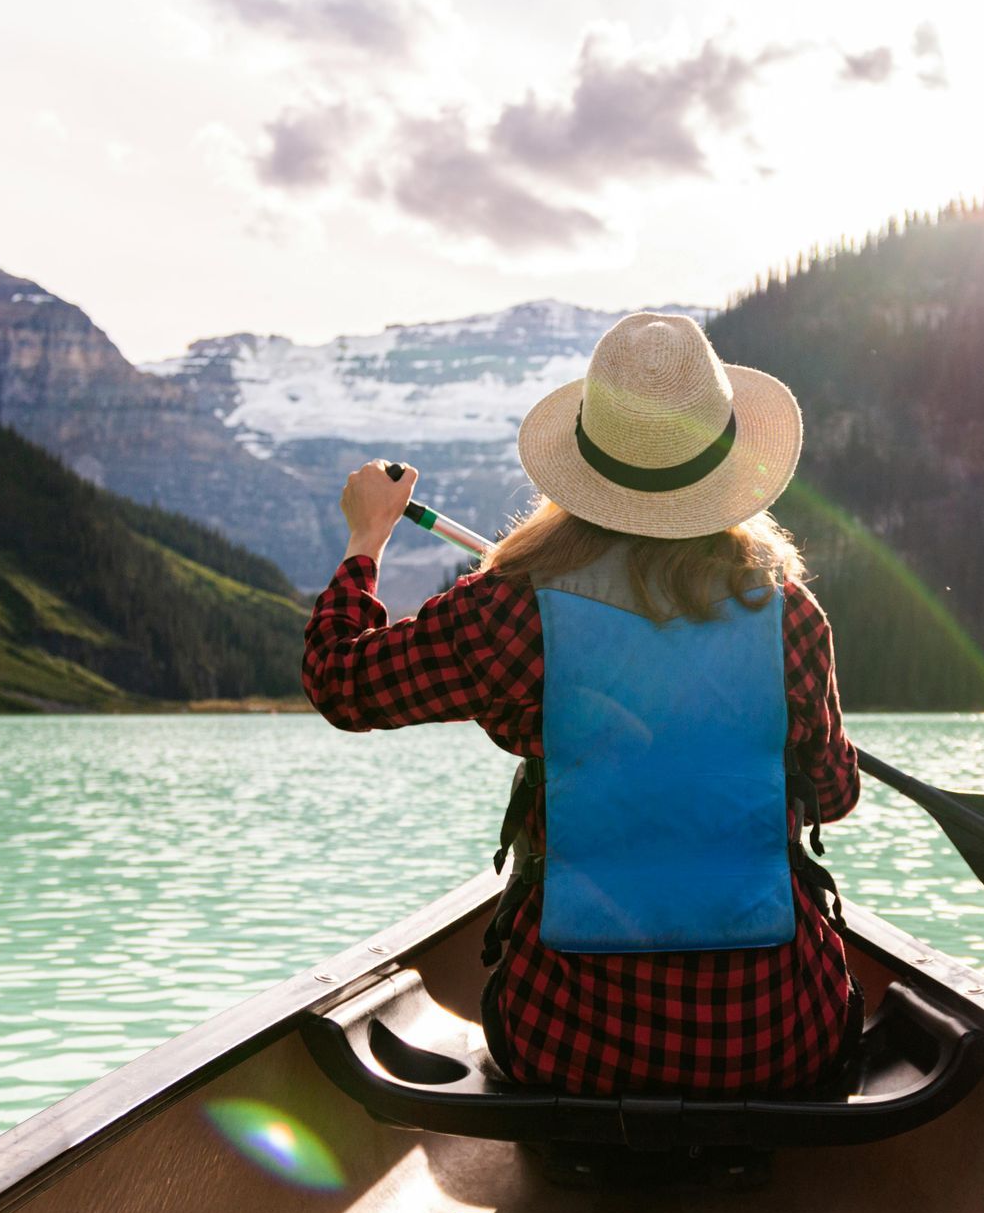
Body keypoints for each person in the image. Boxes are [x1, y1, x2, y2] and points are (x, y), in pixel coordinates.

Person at [303, 311, 860, 1099]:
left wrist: (366, 540)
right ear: (724, 466)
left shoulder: (506, 610)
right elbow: (832, 797)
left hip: (570, 1043)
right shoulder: (791, 615)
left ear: (585, 467)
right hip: (779, 1035)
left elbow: (340, 682)